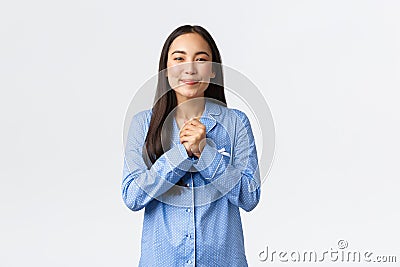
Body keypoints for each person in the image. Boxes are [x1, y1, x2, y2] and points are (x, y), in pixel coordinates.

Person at [122, 25, 261, 266]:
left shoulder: (236, 123)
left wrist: (206, 154)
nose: (190, 68)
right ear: (166, 69)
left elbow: (249, 197)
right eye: (179, 58)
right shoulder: (143, 124)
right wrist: (181, 153)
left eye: (201, 59)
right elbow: (132, 196)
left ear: (213, 70)